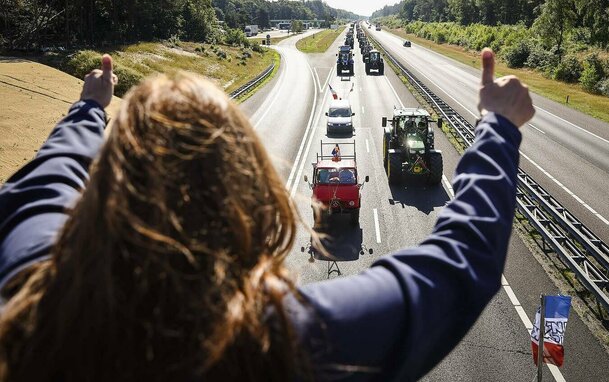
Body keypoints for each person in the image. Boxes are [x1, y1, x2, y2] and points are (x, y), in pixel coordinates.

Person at [0, 49, 534, 381]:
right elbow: (458, 264)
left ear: (105, 193)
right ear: (248, 200)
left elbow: (49, 180)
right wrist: (498, 127)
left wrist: (90, 109)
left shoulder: (28, 289)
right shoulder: (280, 341)